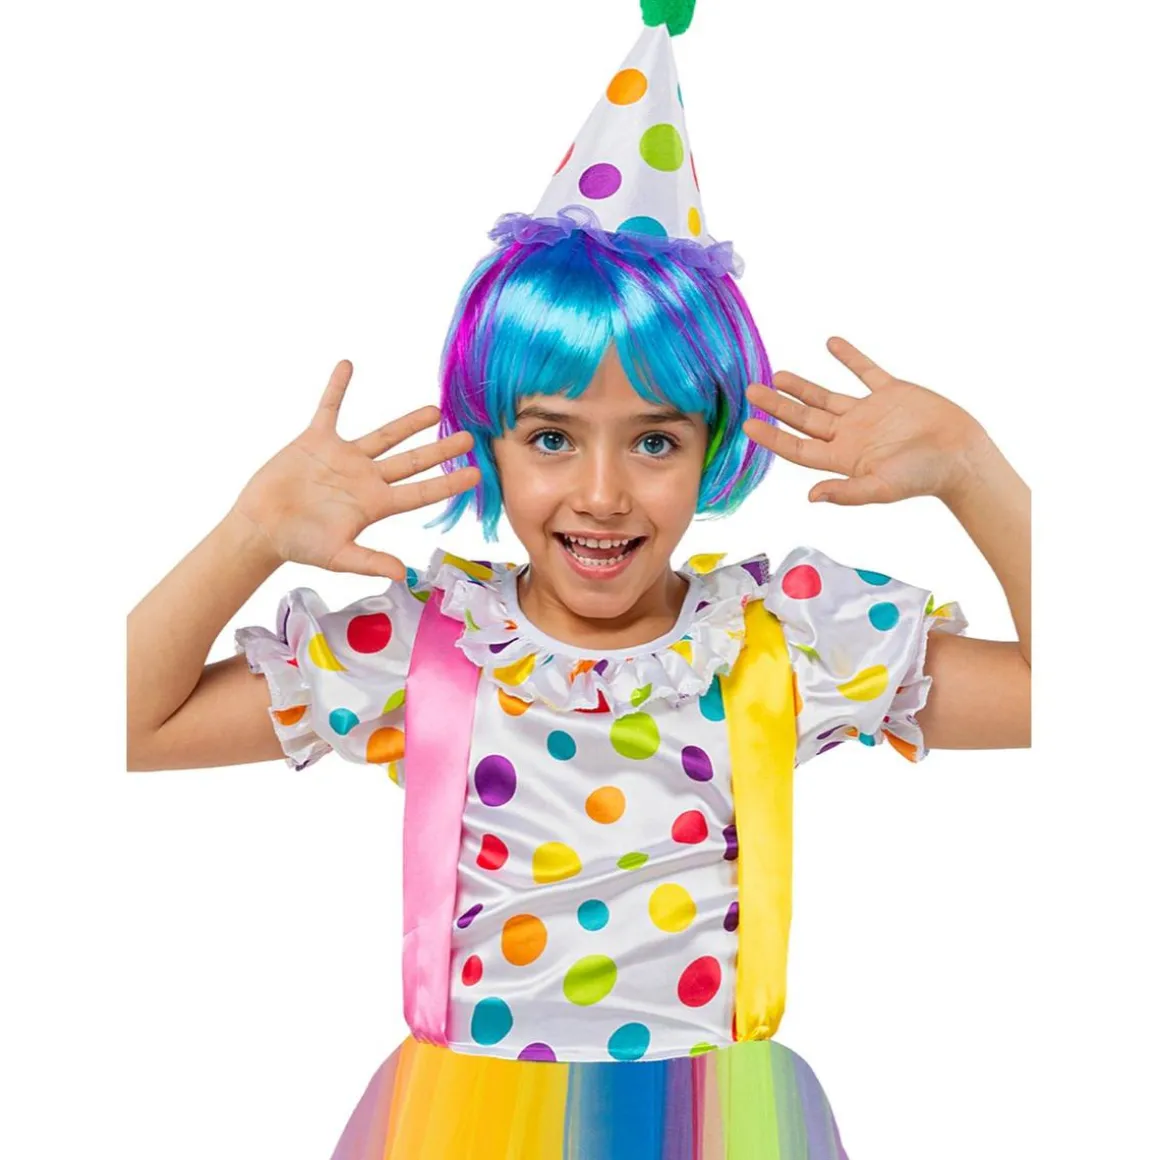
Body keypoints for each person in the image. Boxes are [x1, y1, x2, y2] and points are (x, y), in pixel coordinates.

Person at [126, 4, 1030, 1156]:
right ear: (486, 441)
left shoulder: (780, 638)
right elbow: (126, 725)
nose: (601, 493)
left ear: (712, 446)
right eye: (551, 437)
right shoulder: (430, 646)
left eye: (652, 440)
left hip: (720, 1126)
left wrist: (974, 473)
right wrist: (248, 534)